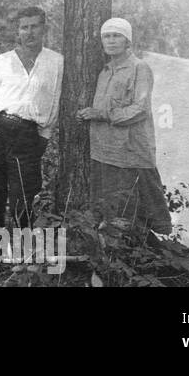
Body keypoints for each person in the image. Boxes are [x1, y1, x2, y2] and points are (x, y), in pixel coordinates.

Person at [77, 17, 172, 237]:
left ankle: (132, 252)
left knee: (128, 209)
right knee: (106, 206)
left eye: (116, 36)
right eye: (106, 36)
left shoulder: (139, 68)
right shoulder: (104, 71)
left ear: (127, 41)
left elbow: (140, 109)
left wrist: (101, 114)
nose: (111, 41)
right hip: (103, 150)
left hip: (128, 151)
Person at [0, 6, 63, 229]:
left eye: (34, 26)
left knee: (23, 197)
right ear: (18, 31)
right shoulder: (3, 60)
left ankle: (20, 253)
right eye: (24, 27)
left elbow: (55, 102)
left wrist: (43, 137)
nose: (29, 32)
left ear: (43, 28)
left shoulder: (56, 62)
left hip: (29, 134)